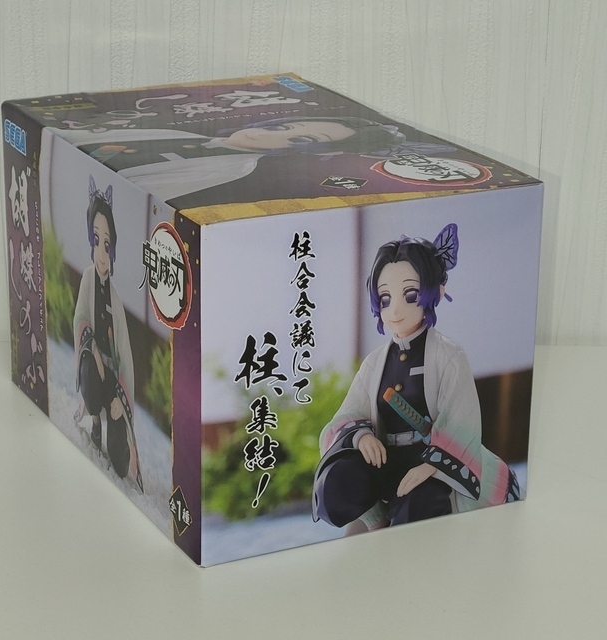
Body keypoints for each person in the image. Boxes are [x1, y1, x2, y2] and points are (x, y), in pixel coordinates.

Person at [312, 224, 519, 532]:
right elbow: (345, 417)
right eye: (385, 298)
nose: (395, 310)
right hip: (385, 462)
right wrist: (361, 436)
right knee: (337, 485)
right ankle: (376, 520)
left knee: (417, 509)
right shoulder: (374, 364)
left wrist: (431, 466)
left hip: (430, 467)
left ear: (436, 292)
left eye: (410, 295)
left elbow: (462, 424)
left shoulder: (449, 356)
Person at [49, 116, 454, 202]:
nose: (270, 133)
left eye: (301, 140)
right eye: (284, 126)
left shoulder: (229, 170)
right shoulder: (186, 135)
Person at [73, 176, 143, 490]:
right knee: (90, 369)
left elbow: (125, 355)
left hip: (112, 381)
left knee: (119, 462)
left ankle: (111, 422)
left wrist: (120, 397)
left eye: (107, 244)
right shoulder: (88, 278)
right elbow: (80, 320)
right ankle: (94, 419)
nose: (101, 253)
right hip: (94, 367)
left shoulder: (115, 296)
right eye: (96, 240)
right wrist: (94, 353)